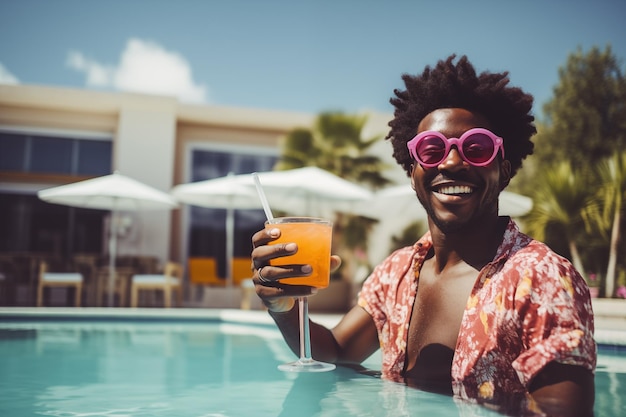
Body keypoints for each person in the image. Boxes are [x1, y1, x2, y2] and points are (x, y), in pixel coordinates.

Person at [250, 55, 596, 416]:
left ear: (504, 171)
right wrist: (283, 309)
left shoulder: (542, 278)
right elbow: (336, 352)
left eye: (476, 149)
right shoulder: (396, 272)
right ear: (413, 172)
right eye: (432, 150)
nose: (450, 162)